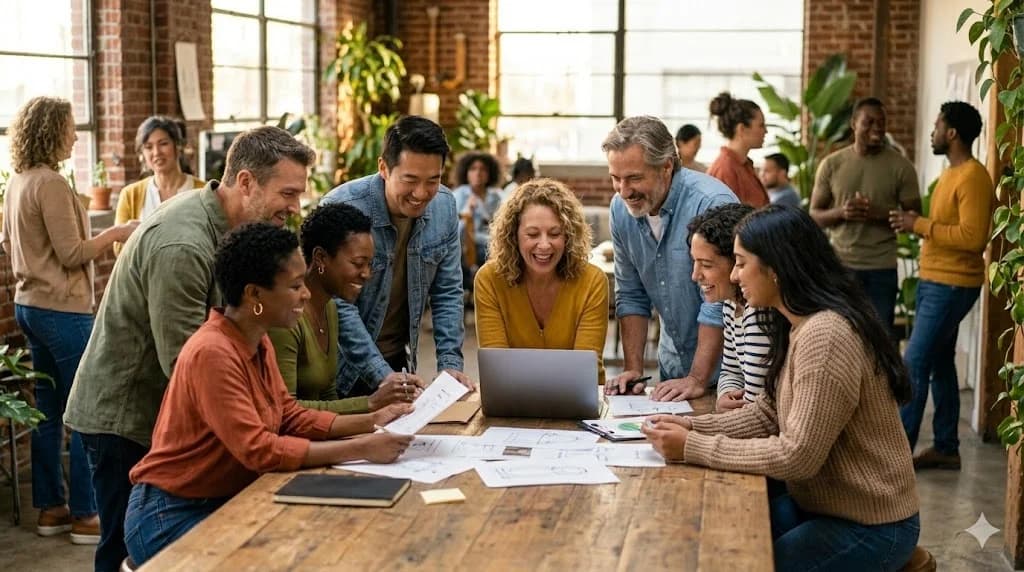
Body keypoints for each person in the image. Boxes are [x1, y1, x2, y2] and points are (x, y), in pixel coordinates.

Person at [65, 126, 314, 572]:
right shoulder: (183, 243)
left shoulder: (231, 231)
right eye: (288, 193)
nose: (295, 207)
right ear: (245, 183)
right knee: (123, 552)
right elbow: (187, 361)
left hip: (158, 413)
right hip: (125, 416)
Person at [643, 205, 921, 571]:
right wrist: (691, 426)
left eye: (741, 263)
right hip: (826, 507)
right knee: (722, 534)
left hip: (871, 525)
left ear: (776, 268)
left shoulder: (825, 335)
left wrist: (692, 446)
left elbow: (797, 456)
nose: (736, 275)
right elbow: (768, 412)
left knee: (745, 561)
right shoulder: (801, 323)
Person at [123, 223, 413, 566]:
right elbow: (259, 449)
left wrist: (371, 421)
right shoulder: (212, 352)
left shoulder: (257, 339)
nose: (306, 294)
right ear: (254, 295)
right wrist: (361, 448)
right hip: (171, 512)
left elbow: (288, 415)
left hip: (227, 497)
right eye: (294, 286)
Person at [2, 96, 138, 544]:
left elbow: (10, 246)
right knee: (86, 410)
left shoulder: (17, 182)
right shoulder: (52, 184)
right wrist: (118, 233)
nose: (76, 135)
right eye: (69, 128)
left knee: (48, 411)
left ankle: (51, 510)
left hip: (30, 305)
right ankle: (84, 513)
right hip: (62, 310)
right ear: (50, 130)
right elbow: (72, 253)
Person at [320, 115, 476, 402]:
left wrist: (450, 366)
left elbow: (447, 292)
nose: (421, 193)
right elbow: (337, 303)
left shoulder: (444, 206)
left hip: (397, 362)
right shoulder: (342, 208)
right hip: (339, 368)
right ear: (383, 168)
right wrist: (381, 374)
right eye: (410, 180)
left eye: (433, 180)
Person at [890, 101, 995, 471]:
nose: (933, 132)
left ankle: (898, 452)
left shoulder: (973, 178)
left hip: (953, 284)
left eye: (937, 126)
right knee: (938, 362)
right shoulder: (951, 174)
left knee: (914, 360)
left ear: (951, 133)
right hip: (936, 280)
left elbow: (972, 237)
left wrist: (918, 224)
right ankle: (946, 447)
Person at [601, 115, 736, 401]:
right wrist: (633, 371)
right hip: (672, 371)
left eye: (634, 178)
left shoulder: (712, 203)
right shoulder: (620, 208)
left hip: (727, 377)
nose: (624, 191)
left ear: (666, 167)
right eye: (615, 178)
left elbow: (718, 301)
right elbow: (631, 293)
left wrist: (698, 378)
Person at [269, 202, 427, 413]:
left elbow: (329, 396)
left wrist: (378, 418)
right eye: (358, 263)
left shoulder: (330, 310)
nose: (367, 274)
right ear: (320, 258)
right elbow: (284, 410)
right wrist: (371, 404)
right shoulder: (286, 318)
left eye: (369, 264)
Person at [474, 178, 609, 383]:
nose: (544, 245)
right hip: (511, 401)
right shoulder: (489, 280)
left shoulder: (592, 281)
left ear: (568, 236)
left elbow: (585, 370)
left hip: (577, 404)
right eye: (532, 234)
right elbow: (496, 369)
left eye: (555, 234)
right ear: (514, 235)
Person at [809, 97, 921, 333]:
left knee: (880, 337)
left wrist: (880, 213)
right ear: (854, 124)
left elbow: (915, 217)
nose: (877, 128)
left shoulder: (901, 166)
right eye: (869, 122)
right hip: (842, 265)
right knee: (841, 335)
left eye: (882, 122)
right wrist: (842, 212)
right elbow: (814, 217)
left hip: (883, 268)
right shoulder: (832, 164)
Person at [686, 203, 769, 412]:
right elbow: (731, 371)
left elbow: (755, 403)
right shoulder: (730, 305)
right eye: (694, 263)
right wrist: (724, 396)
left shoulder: (759, 311)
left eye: (706, 265)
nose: (695, 275)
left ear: (737, 260)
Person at [115, 116, 205, 227]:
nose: (156, 152)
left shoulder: (204, 192)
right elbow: (120, 244)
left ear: (178, 146)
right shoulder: (130, 195)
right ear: (141, 155)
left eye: (163, 144)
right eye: (148, 147)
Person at [706, 92, 769, 207]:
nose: (766, 131)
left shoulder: (744, 165)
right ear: (742, 129)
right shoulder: (725, 169)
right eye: (761, 125)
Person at [452, 151, 503, 286]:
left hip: (492, 243)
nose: (478, 173)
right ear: (466, 173)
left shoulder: (496, 196)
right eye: (473, 169)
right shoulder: (459, 195)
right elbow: (454, 230)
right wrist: (468, 209)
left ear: (489, 173)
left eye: (483, 169)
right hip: (466, 245)